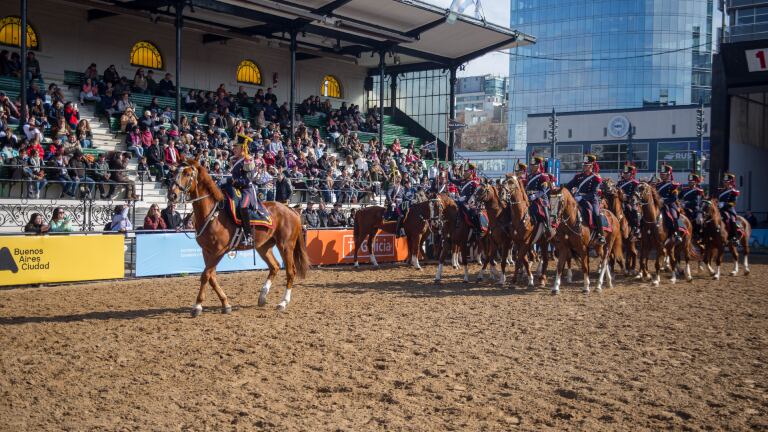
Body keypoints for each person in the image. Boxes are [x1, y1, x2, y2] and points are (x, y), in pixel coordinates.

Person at [226, 134, 261, 245]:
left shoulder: (247, 161)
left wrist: (233, 181)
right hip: (236, 189)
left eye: (236, 147)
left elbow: (248, 180)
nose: (234, 149)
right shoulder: (236, 160)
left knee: (243, 207)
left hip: (247, 190)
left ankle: (248, 235)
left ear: (242, 148)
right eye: (234, 147)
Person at [563, 154, 605, 244]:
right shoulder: (578, 176)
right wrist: (560, 190)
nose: (584, 167)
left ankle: (600, 235)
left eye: (586, 165)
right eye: (584, 165)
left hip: (591, 199)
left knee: (595, 213)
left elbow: (594, 193)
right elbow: (568, 186)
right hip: (577, 199)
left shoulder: (596, 178)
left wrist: (581, 197)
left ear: (591, 166)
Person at [446, 162, 482, 236]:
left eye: (466, 172)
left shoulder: (474, 183)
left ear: (470, 174)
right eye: (465, 172)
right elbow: (451, 179)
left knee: (472, 213)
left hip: (469, 202)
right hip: (461, 201)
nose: (464, 174)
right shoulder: (462, 182)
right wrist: (448, 171)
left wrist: (467, 200)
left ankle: (477, 229)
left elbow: (476, 194)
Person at [524, 156, 553, 237]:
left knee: (544, 209)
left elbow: (543, 190)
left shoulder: (543, 176)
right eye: (531, 165)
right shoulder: (529, 176)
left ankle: (548, 227)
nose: (531, 167)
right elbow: (527, 187)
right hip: (529, 197)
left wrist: (535, 196)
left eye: (533, 165)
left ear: (537, 166)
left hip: (540, 198)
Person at [616, 163, 641, 238]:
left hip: (630, 201)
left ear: (631, 174)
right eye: (624, 173)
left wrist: (628, 198)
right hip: (620, 201)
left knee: (633, 209)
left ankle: (635, 227)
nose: (625, 175)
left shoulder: (635, 183)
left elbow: (637, 194)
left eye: (627, 173)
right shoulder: (620, 182)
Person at [717, 172, 741, 244]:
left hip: (729, 210)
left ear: (730, 182)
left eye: (726, 182)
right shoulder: (721, 191)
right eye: (724, 181)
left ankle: (735, 237)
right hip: (720, 209)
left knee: (731, 219)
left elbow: (733, 203)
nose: (724, 183)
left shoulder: (734, 192)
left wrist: (724, 204)